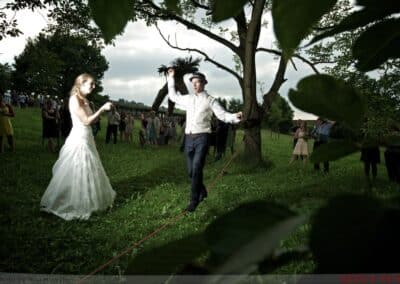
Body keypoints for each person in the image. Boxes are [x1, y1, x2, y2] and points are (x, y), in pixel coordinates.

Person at [40, 73, 116, 220]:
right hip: (79, 138)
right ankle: (73, 199)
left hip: (87, 137)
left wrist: (102, 112)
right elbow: (86, 121)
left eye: (94, 84)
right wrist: (102, 109)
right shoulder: (74, 100)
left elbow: (92, 121)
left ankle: (88, 194)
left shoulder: (85, 100)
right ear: (81, 84)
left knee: (90, 167)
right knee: (78, 166)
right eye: (91, 84)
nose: (94, 86)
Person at [167, 68, 242, 212]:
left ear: (204, 84)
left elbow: (223, 115)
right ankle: (202, 191)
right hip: (189, 138)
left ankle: (193, 201)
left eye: (198, 82)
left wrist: (235, 116)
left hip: (203, 138)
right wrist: (171, 78)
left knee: (196, 168)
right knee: (191, 172)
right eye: (193, 83)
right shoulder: (188, 99)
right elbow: (173, 96)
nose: (194, 85)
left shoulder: (210, 100)